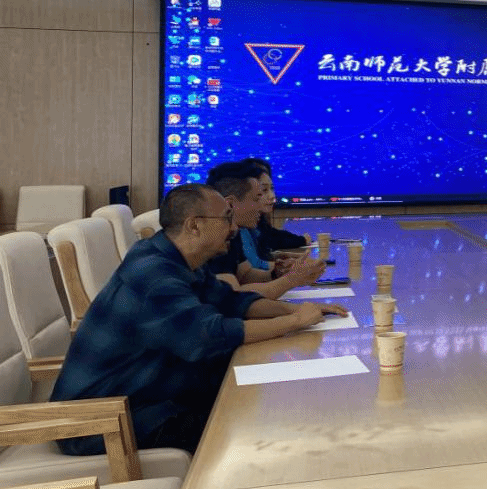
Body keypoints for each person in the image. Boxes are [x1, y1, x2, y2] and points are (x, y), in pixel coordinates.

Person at [50, 184, 347, 454]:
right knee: (252, 426)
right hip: (107, 419)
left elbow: (231, 301)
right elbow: (208, 336)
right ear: (194, 225)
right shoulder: (153, 273)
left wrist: (296, 311)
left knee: (258, 398)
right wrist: (293, 323)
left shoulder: (177, 258)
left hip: (149, 391)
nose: (234, 228)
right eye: (226, 219)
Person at [206, 161, 325, 299]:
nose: (261, 206)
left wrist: (278, 272)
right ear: (230, 204)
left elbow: (245, 275)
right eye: (257, 198)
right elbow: (232, 298)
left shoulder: (233, 231)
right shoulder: (213, 237)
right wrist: (291, 280)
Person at [238, 157, 310, 268]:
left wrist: (277, 256)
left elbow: (266, 245)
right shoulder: (239, 229)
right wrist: (281, 268)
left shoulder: (254, 225)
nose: (272, 196)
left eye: (271, 189)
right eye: (264, 190)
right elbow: (253, 269)